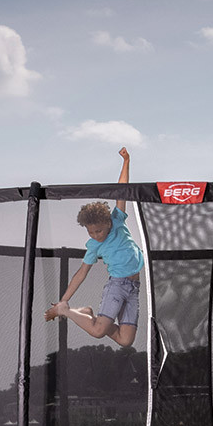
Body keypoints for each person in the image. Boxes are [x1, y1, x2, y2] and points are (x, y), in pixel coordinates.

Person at [44, 146, 143, 349]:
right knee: (98, 331)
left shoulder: (117, 219)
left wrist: (126, 161)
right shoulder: (93, 246)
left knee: (126, 340)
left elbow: (122, 190)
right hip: (117, 286)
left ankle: (88, 314)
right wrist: (63, 301)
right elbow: (81, 274)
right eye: (91, 232)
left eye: (99, 231)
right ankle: (67, 311)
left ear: (107, 222)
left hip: (134, 287)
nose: (96, 235)